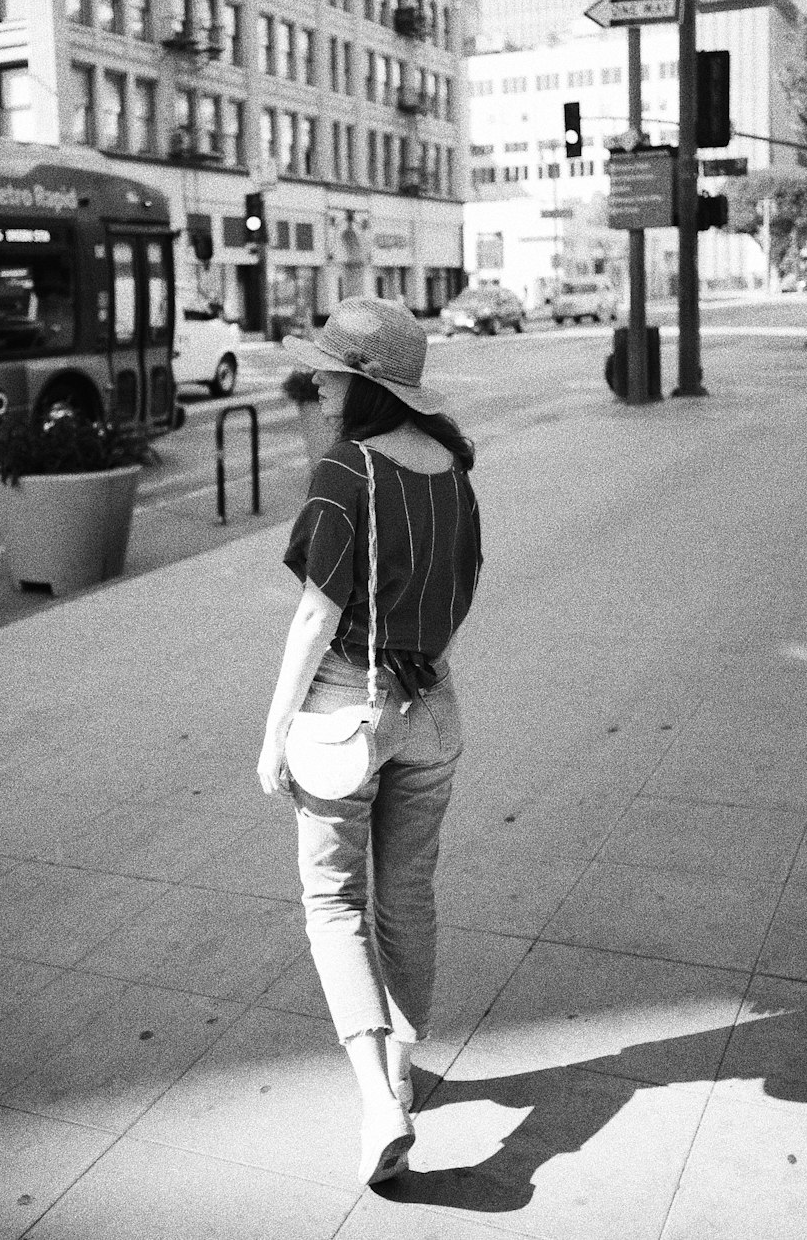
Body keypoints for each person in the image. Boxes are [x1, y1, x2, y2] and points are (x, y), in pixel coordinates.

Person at [257, 296, 482, 1186]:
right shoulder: (452, 470)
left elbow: (316, 612)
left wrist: (274, 733)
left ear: (362, 383)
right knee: (410, 900)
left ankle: (377, 1101)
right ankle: (403, 1068)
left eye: (328, 370)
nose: (317, 377)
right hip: (434, 706)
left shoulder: (348, 469)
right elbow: (461, 593)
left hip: (344, 708)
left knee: (334, 905)